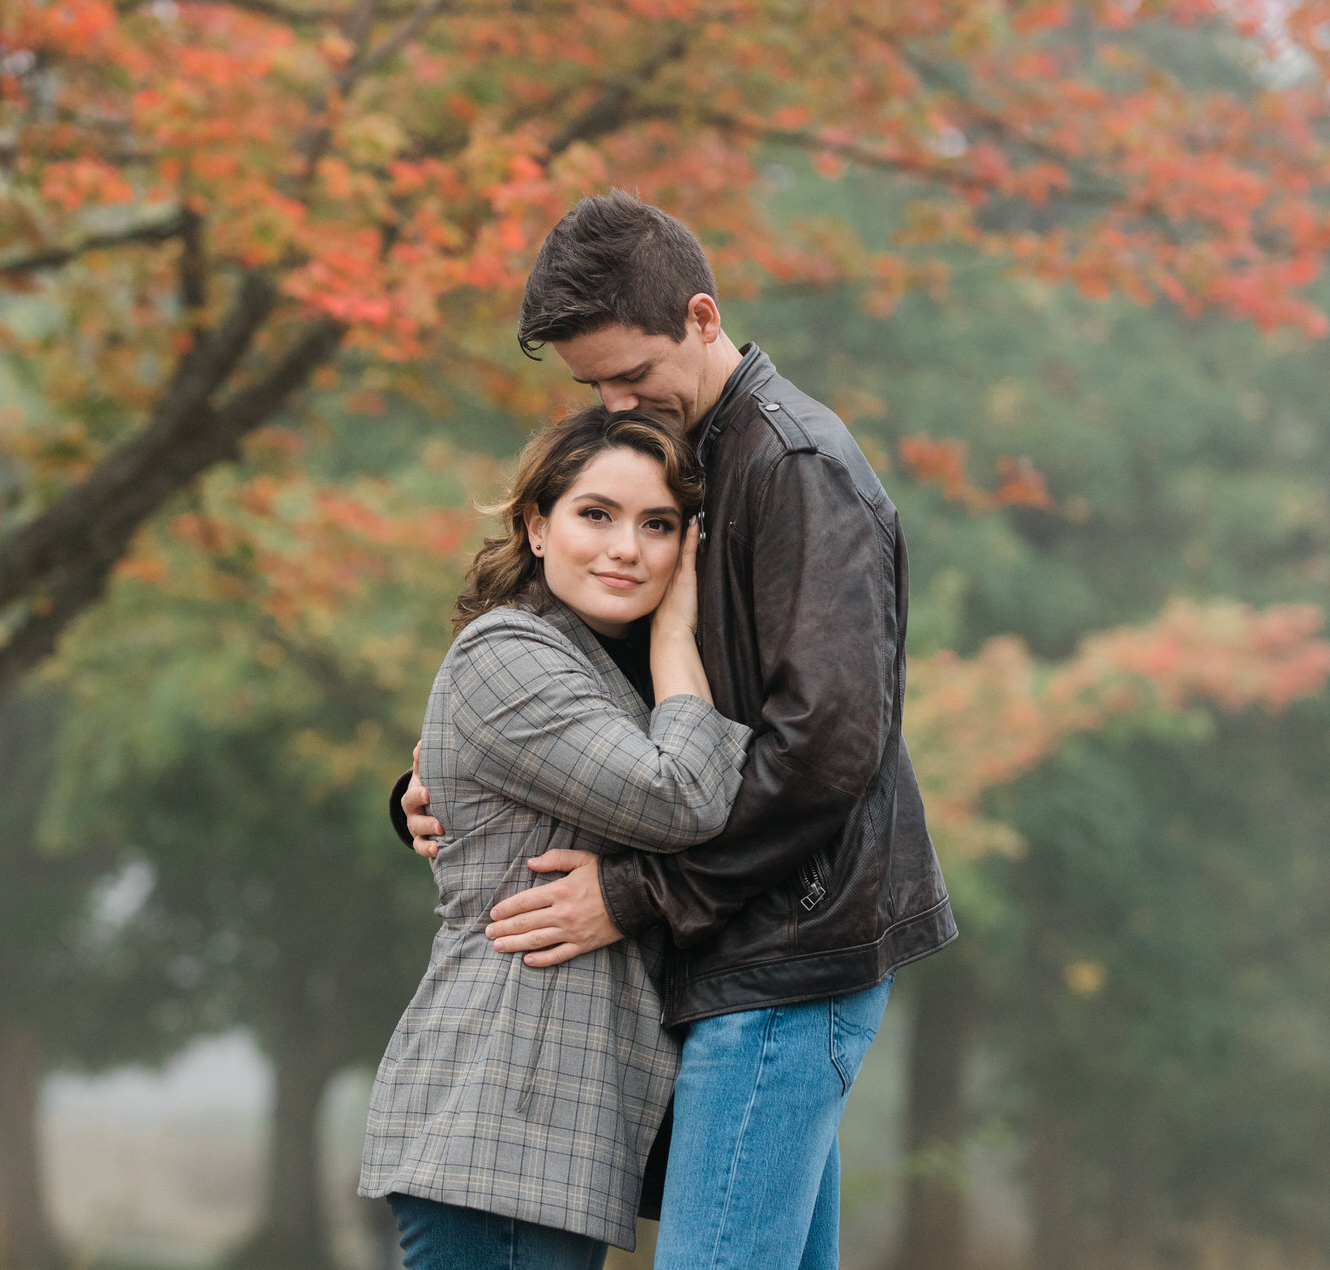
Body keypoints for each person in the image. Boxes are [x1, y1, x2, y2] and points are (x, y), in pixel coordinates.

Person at [394, 191, 957, 1270]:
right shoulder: (690, 457)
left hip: (787, 951)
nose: (612, 402)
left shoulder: (792, 466)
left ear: (701, 317)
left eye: (629, 374)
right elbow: (592, 691)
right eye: (590, 385)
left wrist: (640, 893)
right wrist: (439, 784)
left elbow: (828, 745)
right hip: (731, 955)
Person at [358, 406, 754, 1268]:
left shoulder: (619, 666)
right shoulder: (509, 651)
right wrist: (680, 635)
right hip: (496, 1120)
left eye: (658, 525)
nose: (626, 548)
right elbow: (680, 795)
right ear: (537, 526)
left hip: (558, 1127)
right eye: (595, 514)